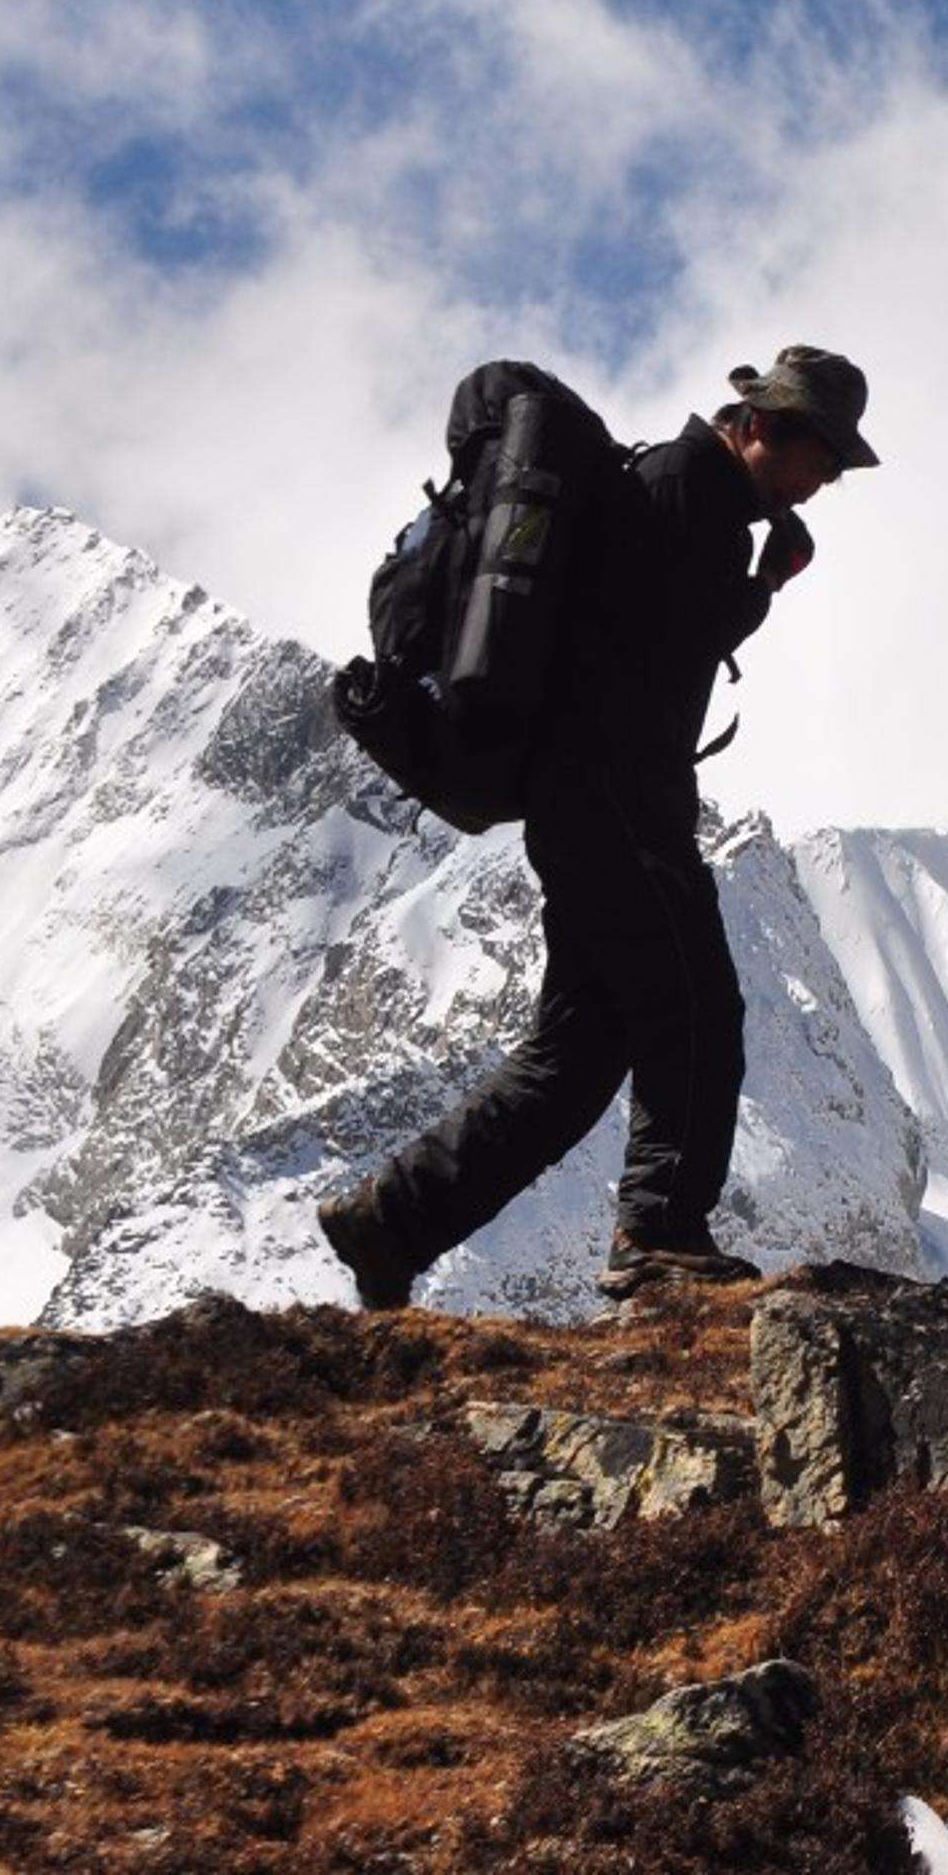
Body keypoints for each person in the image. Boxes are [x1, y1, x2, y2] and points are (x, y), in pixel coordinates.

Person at [316, 346, 881, 1308]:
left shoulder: (680, 491)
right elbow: (656, 652)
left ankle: (391, 1220)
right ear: (758, 428)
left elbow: (643, 631)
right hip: (620, 798)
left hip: (583, 799)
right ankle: (660, 1236)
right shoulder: (691, 487)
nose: (824, 478)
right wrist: (759, 585)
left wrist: (757, 580)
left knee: (576, 1058)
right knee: (696, 1006)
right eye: (819, 453)